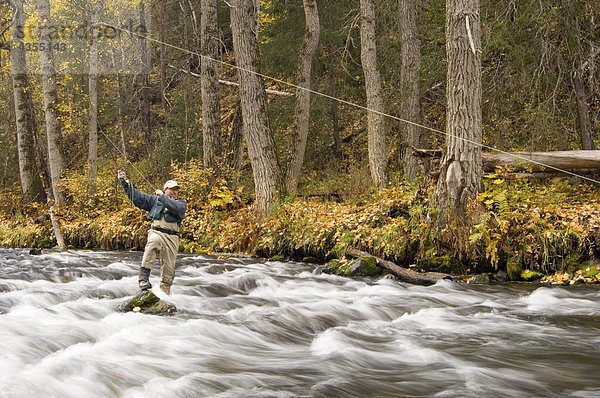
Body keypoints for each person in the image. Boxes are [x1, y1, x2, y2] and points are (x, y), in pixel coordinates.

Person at [117, 170, 187, 294]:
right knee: (154, 242)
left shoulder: (181, 203)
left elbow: (175, 208)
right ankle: (143, 279)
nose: (175, 192)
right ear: (165, 189)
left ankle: (164, 295)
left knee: (169, 269)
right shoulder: (154, 200)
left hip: (172, 238)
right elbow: (136, 197)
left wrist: (163, 197)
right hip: (157, 232)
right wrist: (124, 182)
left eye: (176, 189)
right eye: (172, 189)